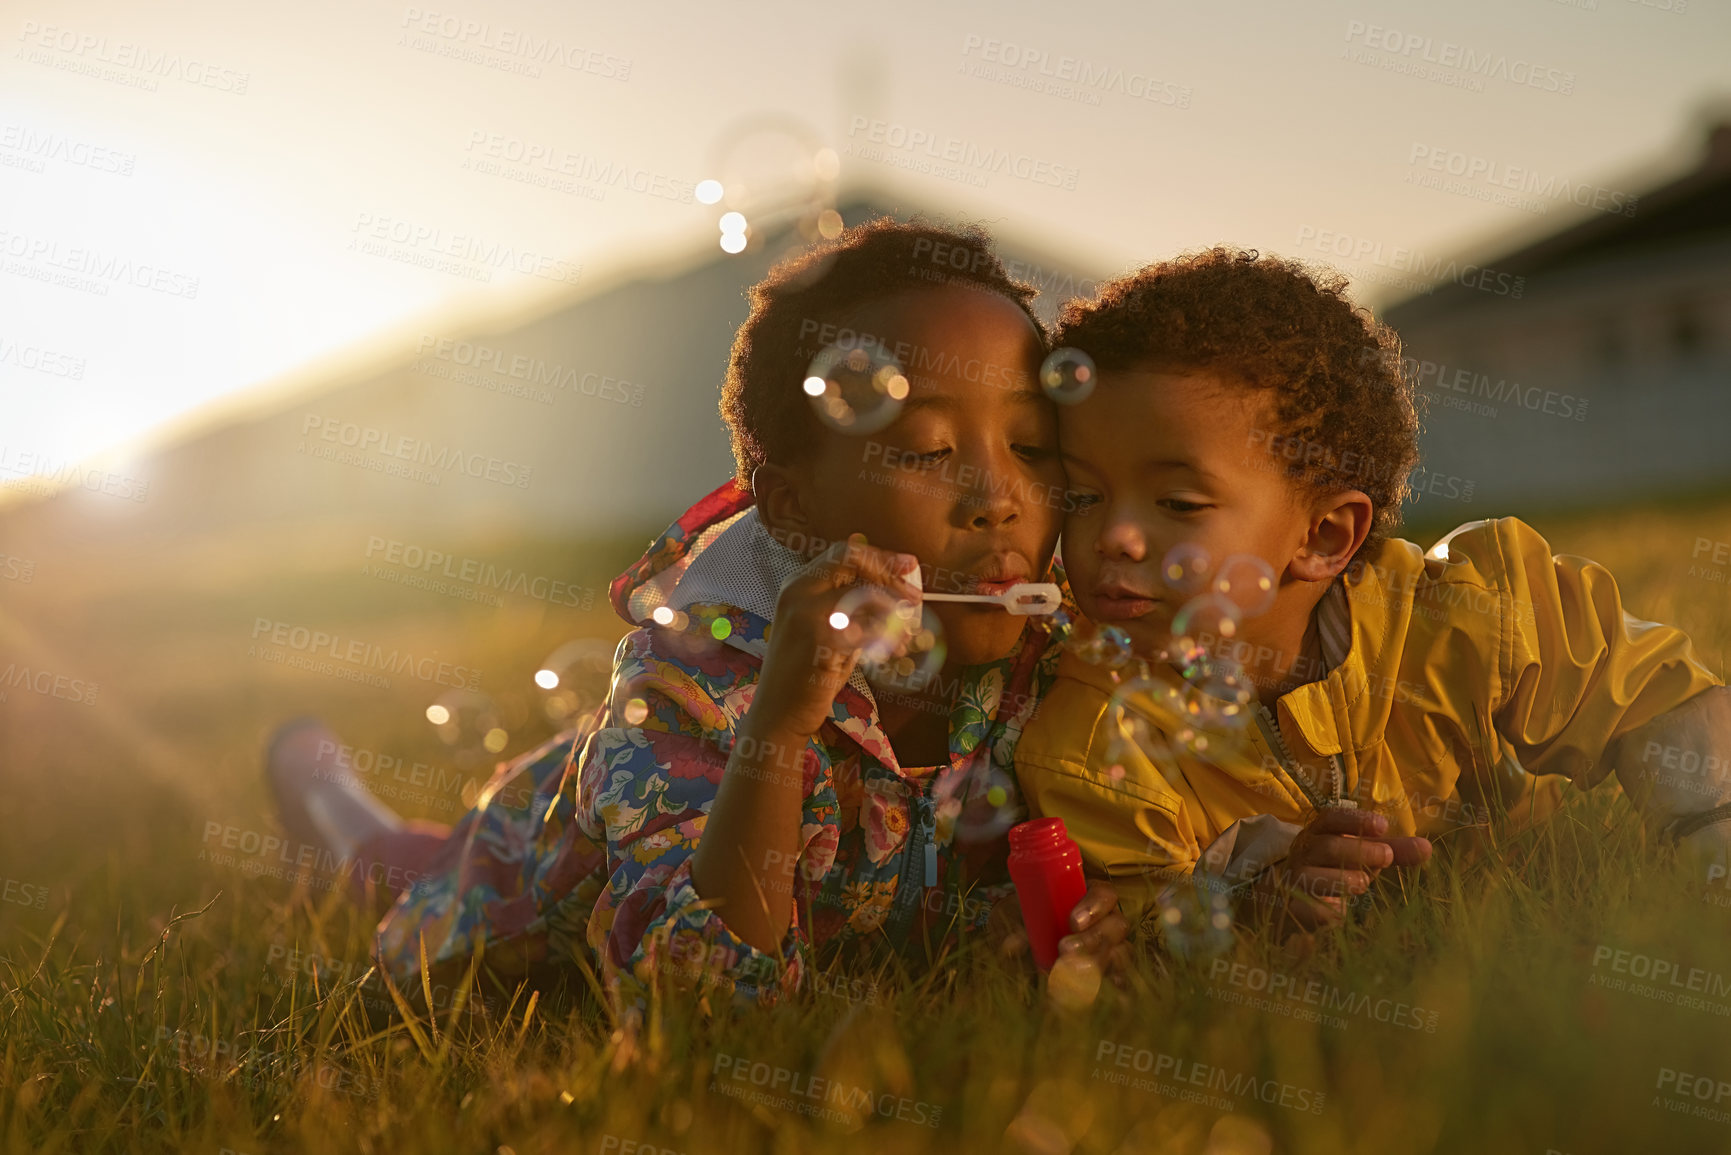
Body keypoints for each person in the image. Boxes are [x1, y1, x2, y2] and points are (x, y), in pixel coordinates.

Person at [268, 217, 1130, 1012]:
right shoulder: (688, 692)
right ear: (792, 508)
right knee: (394, 867)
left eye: (1030, 446)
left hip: (616, 776)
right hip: (516, 880)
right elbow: (697, 998)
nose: (996, 499)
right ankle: (326, 790)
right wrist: (780, 728)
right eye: (927, 451)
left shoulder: (1056, 669)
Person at [1014, 246, 1730, 940]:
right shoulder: (1090, 742)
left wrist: (1709, 843)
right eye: (1081, 494)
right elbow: (1134, 932)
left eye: (1176, 502)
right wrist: (1247, 907)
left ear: (1324, 535)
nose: (1114, 538)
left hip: (1518, 906)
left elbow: (1657, 698)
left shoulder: (1465, 611)